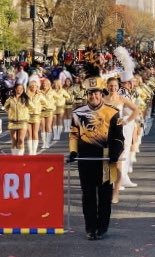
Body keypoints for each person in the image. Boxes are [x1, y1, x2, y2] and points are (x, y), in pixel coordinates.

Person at [68, 87, 124, 240]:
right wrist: (73, 151)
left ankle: (102, 228)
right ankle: (90, 228)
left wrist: (115, 153)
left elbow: (120, 138)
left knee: (105, 195)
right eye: (91, 93)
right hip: (86, 158)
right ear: (87, 95)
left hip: (106, 159)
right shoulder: (77, 112)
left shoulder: (113, 112)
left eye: (96, 93)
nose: (93, 96)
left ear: (101, 95)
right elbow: (73, 135)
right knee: (88, 195)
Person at [104, 77, 140, 203]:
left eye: (115, 86)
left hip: (118, 133)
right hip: (105, 134)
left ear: (118, 87)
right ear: (107, 86)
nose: (113, 88)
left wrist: (126, 120)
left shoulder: (122, 99)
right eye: (110, 86)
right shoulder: (102, 100)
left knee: (118, 164)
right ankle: (108, 190)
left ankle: (116, 192)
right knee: (107, 165)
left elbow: (136, 110)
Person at [4, 84, 31, 155]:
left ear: (23, 90)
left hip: (23, 122)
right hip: (12, 122)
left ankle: (20, 158)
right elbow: (5, 107)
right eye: (18, 88)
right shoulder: (10, 99)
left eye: (21, 89)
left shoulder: (26, 98)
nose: (20, 90)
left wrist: (26, 114)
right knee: (14, 140)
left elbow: (32, 107)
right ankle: (14, 157)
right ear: (15, 89)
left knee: (21, 140)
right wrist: (11, 113)